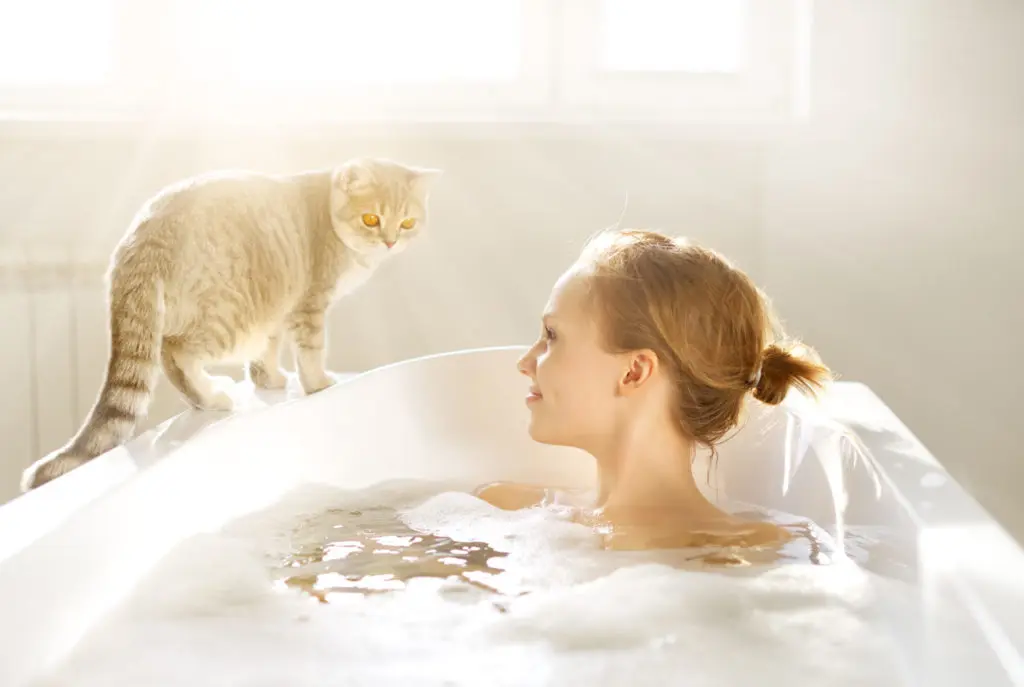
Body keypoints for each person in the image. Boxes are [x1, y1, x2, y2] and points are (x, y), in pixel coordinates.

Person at [476, 229, 832, 551]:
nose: (525, 362)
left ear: (634, 372)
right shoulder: (501, 512)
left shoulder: (750, 553)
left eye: (551, 336)